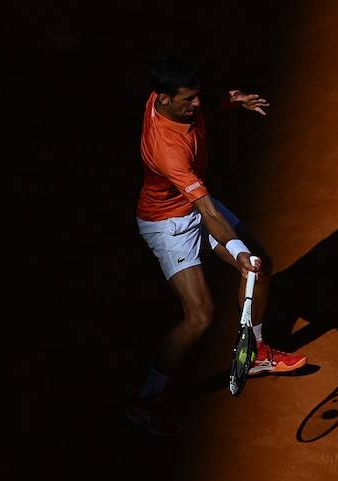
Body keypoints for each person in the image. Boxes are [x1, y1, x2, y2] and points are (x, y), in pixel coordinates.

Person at [128, 53, 306, 436]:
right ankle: (145, 399)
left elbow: (206, 97)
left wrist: (234, 100)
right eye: (189, 99)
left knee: (262, 264)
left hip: (196, 206)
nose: (197, 104)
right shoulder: (168, 149)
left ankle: (255, 353)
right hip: (169, 224)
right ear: (163, 101)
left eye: (198, 96)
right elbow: (207, 209)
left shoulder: (173, 99)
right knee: (200, 317)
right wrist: (239, 252)